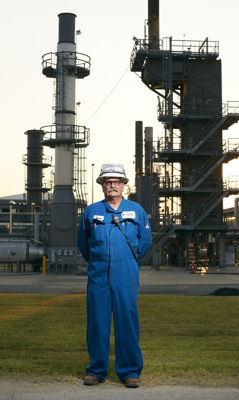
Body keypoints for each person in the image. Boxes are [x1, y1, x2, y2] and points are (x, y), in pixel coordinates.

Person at [77, 163, 152, 388]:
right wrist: (99, 260)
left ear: (123, 185)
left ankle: (130, 371)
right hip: (98, 273)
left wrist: (128, 261)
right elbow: (83, 243)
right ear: (102, 185)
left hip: (126, 273)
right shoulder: (92, 211)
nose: (112, 185)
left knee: (127, 321)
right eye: (108, 181)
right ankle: (96, 370)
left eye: (116, 181)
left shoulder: (137, 210)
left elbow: (145, 242)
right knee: (97, 322)